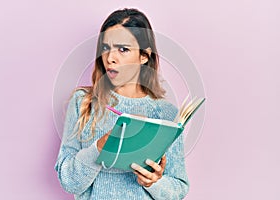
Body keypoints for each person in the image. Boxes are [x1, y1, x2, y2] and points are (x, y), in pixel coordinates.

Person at [55, 8, 189, 200]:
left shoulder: (165, 113)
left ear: (144, 56)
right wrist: (99, 148)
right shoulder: (83, 103)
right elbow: (68, 181)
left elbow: (178, 188)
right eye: (105, 48)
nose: (110, 58)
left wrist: (154, 182)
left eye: (123, 49)